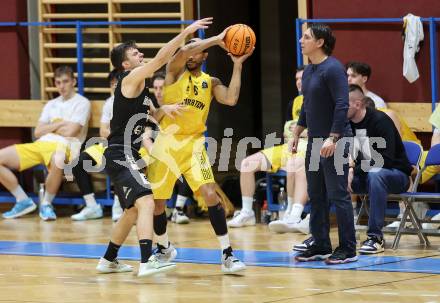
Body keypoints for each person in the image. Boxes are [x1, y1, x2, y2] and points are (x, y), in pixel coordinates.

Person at [95, 18, 213, 277]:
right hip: (120, 153)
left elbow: (153, 117)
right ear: (125, 64)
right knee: (147, 201)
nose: (140, 54)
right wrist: (186, 32)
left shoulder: (141, 89)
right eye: (135, 53)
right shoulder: (129, 77)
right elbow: (161, 58)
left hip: (127, 154)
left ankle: (108, 259)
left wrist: (163, 110)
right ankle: (148, 260)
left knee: (132, 211)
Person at [148, 34, 254, 273]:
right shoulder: (173, 72)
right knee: (158, 203)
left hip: (195, 143)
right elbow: (183, 52)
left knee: (210, 194)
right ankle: (164, 247)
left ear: (205, 55)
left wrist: (237, 66)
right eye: (189, 50)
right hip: (167, 142)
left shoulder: (211, 81)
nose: (191, 54)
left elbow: (231, 98)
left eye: (197, 50)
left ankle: (227, 254)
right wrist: (217, 40)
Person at [291, 23, 357, 264]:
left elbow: (342, 104)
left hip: (336, 140)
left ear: (319, 42)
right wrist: (298, 130)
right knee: (316, 194)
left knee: (338, 194)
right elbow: (307, 104)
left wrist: (333, 136)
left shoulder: (333, 69)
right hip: (314, 141)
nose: (301, 40)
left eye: (306, 37)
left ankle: (348, 248)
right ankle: (320, 244)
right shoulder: (309, 70)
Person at [1, 66, 90, 221]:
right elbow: (37, 132)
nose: (62, 86)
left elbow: (71, 132)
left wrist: (49, 128)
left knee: (58, 158)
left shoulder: (82, 103)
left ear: (73, 82)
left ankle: (47, 203)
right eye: (58, 82)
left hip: (66, 147)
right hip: (41, 145)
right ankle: (23, 200)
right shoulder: (51, 104)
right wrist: (59, 124)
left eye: (65, 81)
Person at [227, 66, 309, 234]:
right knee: (247, 163)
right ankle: (247, 212)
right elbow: (287, 130)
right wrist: (295, 133)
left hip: (308, 146)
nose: (299, 82)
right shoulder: (293, 103)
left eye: (302, 78)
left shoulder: (320, 101)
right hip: (290, 145)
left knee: (294, 165)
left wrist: (301, 132)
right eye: (297, 79)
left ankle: (291, 213)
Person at [347, 84, 412, 254]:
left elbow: (385, 160)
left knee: (376, 174)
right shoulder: (345, 125)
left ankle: (375, 238)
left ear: (358, 104)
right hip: (365, 175)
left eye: (344, 104)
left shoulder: (380, 121)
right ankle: (339, 235)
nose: (339, 108)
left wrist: (354, 169)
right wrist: (346, 169)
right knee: (334, 175)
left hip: (396, 175)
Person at [71, 69, 123, 221]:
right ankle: (92, 205)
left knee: (121, 163)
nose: (114, 87)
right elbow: (103, 130)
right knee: (79, 163)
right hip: (109, 144)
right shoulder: (109, 103)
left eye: (117, 84)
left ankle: (119, 205)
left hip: (131, 146)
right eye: (112, 84)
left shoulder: (134, 101)